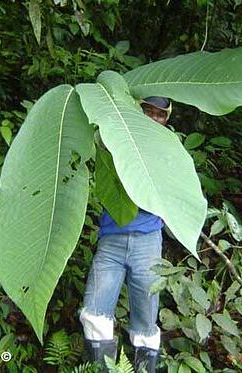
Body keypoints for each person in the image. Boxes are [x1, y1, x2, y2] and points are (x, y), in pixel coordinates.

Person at [79, 96, 172, 373]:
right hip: (112, 239)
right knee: (94, 312)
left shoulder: (167, 147)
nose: (153, 118)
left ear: (167, 118)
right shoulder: (115, 137)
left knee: (145, 322)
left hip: (147, 241)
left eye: (160, 114)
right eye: (148, 111)